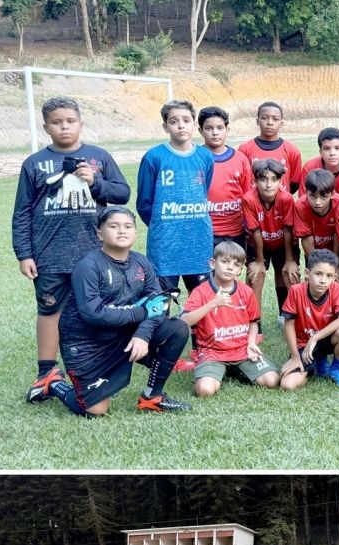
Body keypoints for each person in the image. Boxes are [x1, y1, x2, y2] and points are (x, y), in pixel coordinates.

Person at [16, 96, 131, 404]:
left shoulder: (99, 157)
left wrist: (95, 182)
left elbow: (122, 193)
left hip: (93, 253)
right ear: (46, 127)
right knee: (50, 309)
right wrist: (24, 253)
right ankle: (47, 372)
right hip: (49, 253)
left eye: (70, 121)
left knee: (93, 308)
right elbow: (22, 211)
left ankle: (97, 362)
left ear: (81, 123)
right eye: (57, 122)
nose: (64, 126)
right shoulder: (34, 163)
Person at [44, 206, 191, 416]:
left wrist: (142, 334)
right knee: (95, 410)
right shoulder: (88, 266)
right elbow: (93, 313)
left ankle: (152, 397)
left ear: (135, 232)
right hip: (88, 343)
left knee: (177, 328)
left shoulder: (141, 262)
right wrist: (141, 312)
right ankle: (53, 382)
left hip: (125, 334)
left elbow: (160, 303)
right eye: (114, 226)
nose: (122, 231)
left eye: (128, 226)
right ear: (100, 233)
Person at [136, 99, 215, 297]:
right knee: (161, 298)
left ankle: (199, 330)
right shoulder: (154, 157)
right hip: (165, 243)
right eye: (174, 121)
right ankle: (165, 329)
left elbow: (203, 191)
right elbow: (144, 203)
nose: (181, 125)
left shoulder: (205, 157)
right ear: (165, 126)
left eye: (186, 120)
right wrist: (164, 225)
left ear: (194, 125)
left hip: (198, 239)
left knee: (201, 296)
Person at [181, 240, 280, 397]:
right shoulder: (201, 291)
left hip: (241, 350)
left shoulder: (246, 292)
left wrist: (251, 344)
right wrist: (212, 304)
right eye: (225, 262)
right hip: (212, 352)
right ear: (213, 263)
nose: (229, 267)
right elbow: (185, 320)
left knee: (272, 380)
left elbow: (253, 322)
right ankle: (218, 369)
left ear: (240, 269)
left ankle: (235, 369)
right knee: (204, 390)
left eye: (236, 264)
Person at [279, 249, 339, 391]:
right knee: (287, 385)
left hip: (326, 339)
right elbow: (288, 325)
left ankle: (336, 368)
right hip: (303, 344)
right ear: (307, 274)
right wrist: (295, 357)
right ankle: (315, 363)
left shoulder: (336, 289)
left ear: (334, 277)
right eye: (318, 274)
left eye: (329, 276)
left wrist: (315, 338)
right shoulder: (296, 291)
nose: (323, 280)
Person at [242, 158, 298, 315]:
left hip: (282, 244)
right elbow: (255, 231)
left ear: (280, 181)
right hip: (258, 243)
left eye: (274, 180)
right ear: (255, 181)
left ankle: (287, 316)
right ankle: (254, 323)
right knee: (255, 275)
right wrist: (259, 261)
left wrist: (289, 260)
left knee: (289, 274)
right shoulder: (249, 199)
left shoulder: (286, 198)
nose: (269, 184)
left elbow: (288, 230)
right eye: (263, 179)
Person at [199, 106, 253, 250]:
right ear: (200, 131)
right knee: (208, 272)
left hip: (235, 231)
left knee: (231, 271)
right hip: (204, 232)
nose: (215, 132)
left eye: (220, 128)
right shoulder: (195, 159)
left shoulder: (240, 159)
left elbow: (248, 195)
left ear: (227, 130)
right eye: (209, 128)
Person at [237, 101, 303, 193]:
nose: (270, 123)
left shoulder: (292, 151)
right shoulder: (244, 149)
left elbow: (295, 182)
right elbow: (240, 179)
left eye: (275, 119)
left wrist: (278, 195)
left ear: (281, 123)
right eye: (264, 118)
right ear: (257, 121)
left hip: (281, 204)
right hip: (252, 204)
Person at [293, 168, 339, 261]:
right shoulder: (301, 206)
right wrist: (315, 264)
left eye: (323, 196)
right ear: (305, 191)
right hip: (313, 251)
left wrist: (336, 264)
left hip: (338, 252)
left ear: (332, 193)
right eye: (312, 196)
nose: (317, 202)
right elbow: (306, 238)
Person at [300, 127, 339, 198]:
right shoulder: (309, 168)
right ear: (320, 152)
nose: (332, 153)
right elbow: (304, 198)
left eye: (337, 148)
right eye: (326, 148)